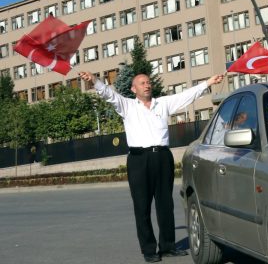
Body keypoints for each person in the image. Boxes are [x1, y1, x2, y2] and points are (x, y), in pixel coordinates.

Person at [78, 70, 225, 263]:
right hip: (139, 160)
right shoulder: (127, 106)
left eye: (148, 82)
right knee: (142, 205)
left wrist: (208, 82)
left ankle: (168, 246)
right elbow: (109, 94)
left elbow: (185, 96)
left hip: (163, 157)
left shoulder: (161, 104)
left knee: (165, 204)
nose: (147, 85)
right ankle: (149, 249)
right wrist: (95, 81)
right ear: (134, 89)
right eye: (142, 83)